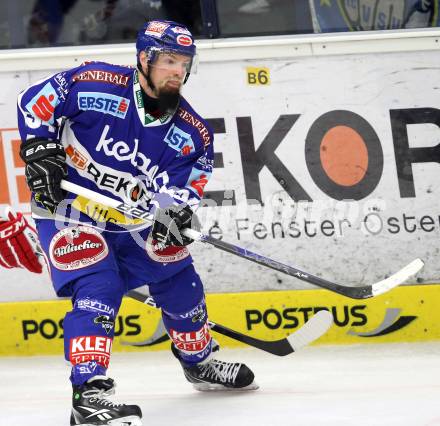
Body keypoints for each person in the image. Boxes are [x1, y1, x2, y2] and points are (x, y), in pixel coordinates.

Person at [14, 19, 257, 426]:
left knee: (179, 278)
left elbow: (183, 188)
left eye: (184, 63)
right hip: (67, 207)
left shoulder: (192, 134)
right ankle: (89, 395)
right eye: (168, 61)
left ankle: (199, 362)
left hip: (130, 218)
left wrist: (173, 213)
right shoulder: (94, 82)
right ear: (144, 59)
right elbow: (33, 101)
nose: (178, 71)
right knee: (99, 285)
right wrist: (40, 147)